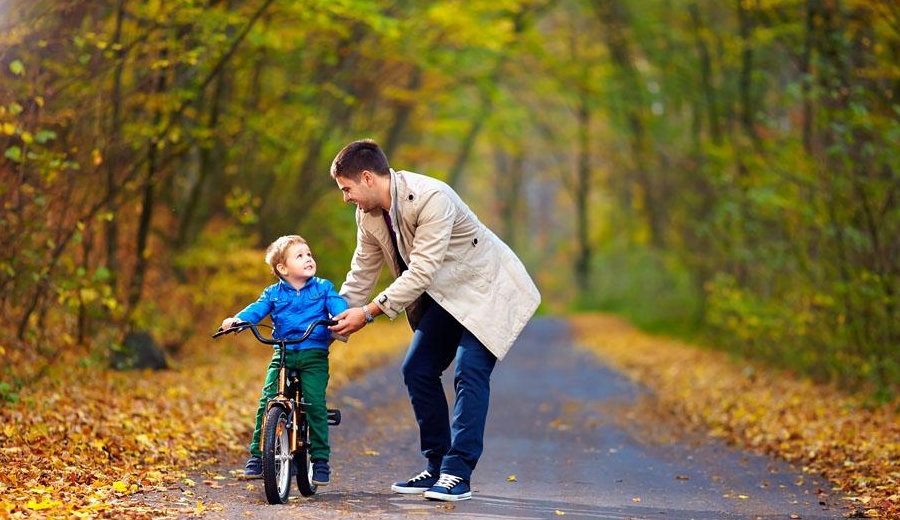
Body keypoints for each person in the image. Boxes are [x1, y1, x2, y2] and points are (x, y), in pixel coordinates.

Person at [328, 139, 540, 502]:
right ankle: (437, 464)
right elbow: (362, 272)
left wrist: (368, 314)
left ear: (366, 177)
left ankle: (458, 473)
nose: (346, 198)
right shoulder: (367, 215)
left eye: (347, 189)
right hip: (447, 296)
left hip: (486, 290)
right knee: (417, 369)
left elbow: (422, 271)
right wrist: (330, 323)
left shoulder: (431, 197)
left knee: (469, 372)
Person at [220, 235, 348, 484]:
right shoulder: (273, 293)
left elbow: (337, 304)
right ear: (282, 268)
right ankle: (258, 455)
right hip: (283, 354)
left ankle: (320, 459)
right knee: (267, 400)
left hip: (313, 355)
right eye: (299, 256)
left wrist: (341, 315)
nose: (308, 259)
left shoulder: (323, 288)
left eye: (309, 254)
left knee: (314, 402)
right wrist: (238, 320)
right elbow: (257, 309)